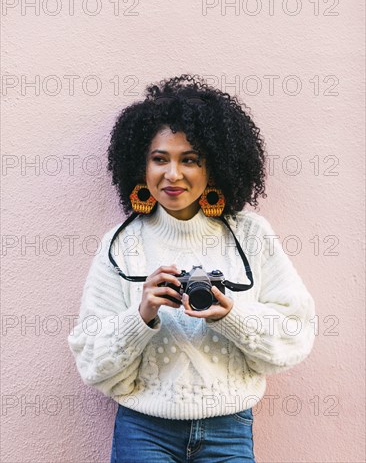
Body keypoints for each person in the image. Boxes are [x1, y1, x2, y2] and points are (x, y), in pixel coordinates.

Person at [67, 74, 316, 463]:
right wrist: (142, 315)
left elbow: (295, 333)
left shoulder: (249, 235)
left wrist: (231, 315)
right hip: (143, 428)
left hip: (228, 428)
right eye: (159, 158)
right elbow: (91, 360)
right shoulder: (121, 243)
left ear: (213, 166)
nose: (173, 175)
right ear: (141, 164)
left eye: (190, 160)